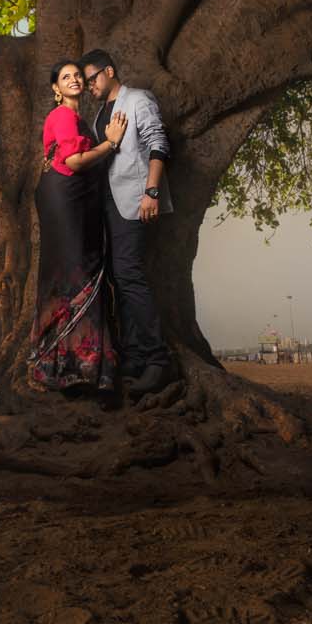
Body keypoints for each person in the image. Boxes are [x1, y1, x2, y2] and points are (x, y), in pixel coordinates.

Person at [79, 48, 176, 397]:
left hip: (134, 202)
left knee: (130, 276)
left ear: (109, 70)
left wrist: (151, 191)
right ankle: (134, 355)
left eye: (93, 78)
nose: (89, 85)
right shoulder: (98, 116)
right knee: (118, 279)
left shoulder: (137, 100)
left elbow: (158, 142)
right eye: (86, 81)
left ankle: (157, 360)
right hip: (106, 205)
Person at [26, 60, 126, 394]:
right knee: (76, 271)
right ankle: (73, 367)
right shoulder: (62, 116)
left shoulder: (80, 119)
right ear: (55, 89)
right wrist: (111, 142)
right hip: (65, 198)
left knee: (79, 270)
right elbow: (73, 161)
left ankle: (82, 366)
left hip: (75, 199)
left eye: (77, 76)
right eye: (65, 77)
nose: (73, 80)